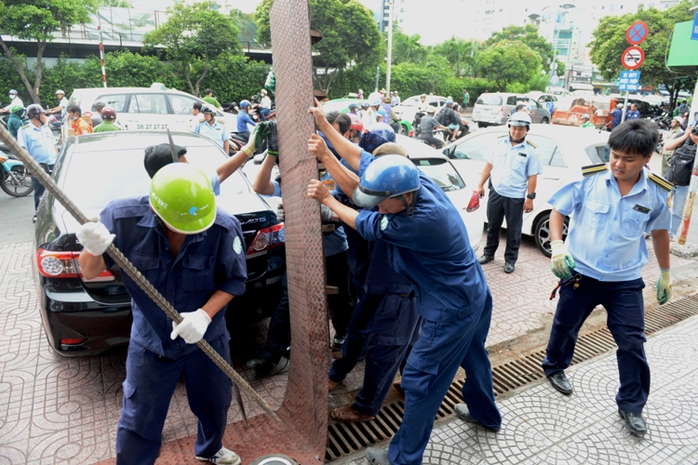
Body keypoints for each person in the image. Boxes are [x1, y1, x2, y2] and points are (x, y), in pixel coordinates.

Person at [306, 117, 501, 464]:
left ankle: (403, 458)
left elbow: (361, 217)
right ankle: (486, 414)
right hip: (473, 292)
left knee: (419, 381)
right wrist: (325, 130)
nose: (378, 206)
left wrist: (327, 198)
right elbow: (360, 161)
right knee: (474, 356)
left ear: (403, 197)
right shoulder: (411, 180)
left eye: (383, 204)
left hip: (450, 306)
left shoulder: (418, 222)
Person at [77, 163, 247, 465]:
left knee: (215, 403)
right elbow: (90, 273)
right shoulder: (121, 218)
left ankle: (209, 449)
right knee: (139, 416)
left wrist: (205, 316)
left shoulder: (222, 226)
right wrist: (92, 249)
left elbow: (234, 281)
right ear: (156, 209)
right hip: (151, 340)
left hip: (207, 338)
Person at [542, 119, 673, 437]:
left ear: (646, 158)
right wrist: (557, 246)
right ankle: (555, 367)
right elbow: (558, 210)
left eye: (628, 158)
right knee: (565, 325)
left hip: (624, 281)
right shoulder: (587, 178)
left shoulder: (656, 191)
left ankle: (631, 404)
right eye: (614, 154)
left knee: (632, 342)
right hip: (580, 274)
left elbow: (659, 232)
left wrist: (666, 273)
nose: (618, 163)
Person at [477, 112, 542, 273]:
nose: (516, 131)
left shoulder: (531, 151)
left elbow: (532, 177)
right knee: (492, 226)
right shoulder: (498, 144)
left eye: (521, 129)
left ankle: (510, 260)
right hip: (496, 192)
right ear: (509, 127)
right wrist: (480, 185)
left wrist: (530, 198)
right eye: (514, 128)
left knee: (513, 230)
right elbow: (488, 166)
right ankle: (488, 253)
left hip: (515, 196)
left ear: (527, 130)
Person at [16, 104, 58, 222]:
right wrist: (28, 166)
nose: (45, 116)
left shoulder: (46, 129)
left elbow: (54, 146)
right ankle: (38, 213)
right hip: (38, 165)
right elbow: (22, 150)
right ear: (36, 116)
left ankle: (54, 212)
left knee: (55, 190)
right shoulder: (24, 131)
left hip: (53, 163)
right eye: (43, 114)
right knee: (40, 191)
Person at [662, 123, 697, 241]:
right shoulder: (684, 136)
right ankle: (649, 230)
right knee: (660, 206)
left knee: (677, 211)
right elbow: (667, 147)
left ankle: (670, 235)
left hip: (685, 184)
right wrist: (686, 135)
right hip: (669, 179)